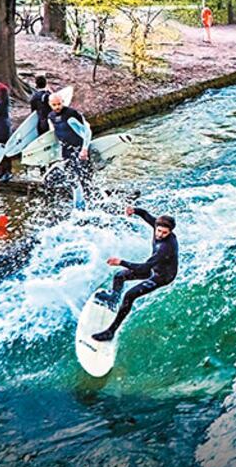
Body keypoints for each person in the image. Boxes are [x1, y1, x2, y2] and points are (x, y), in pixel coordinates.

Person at [92, 207, 179, 341]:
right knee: (119, 276)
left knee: (129, 295)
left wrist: (121, 261)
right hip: (153, 267)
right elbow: (145, 214)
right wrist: (134, 210)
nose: (160, 235)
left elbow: (143, 268)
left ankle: (110, 332)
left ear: (170, 232)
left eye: (164, 233)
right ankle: (113, 300)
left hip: (162, 276)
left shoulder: (165, 248)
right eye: (159, 231)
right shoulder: (157, 224)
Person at [47, 91, 92, 194]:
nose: (57, 107)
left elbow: (87, 130)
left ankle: (89, 195)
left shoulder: (71, 114)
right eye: (54, 105)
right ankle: (76, 195)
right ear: (50, 104)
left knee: (83, 175)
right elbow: (53, 135)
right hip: (66, 149)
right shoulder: (51, 117)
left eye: (59, 104)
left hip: (78, 148)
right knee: (71, 174)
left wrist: (84, 149)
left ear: (63, 102)